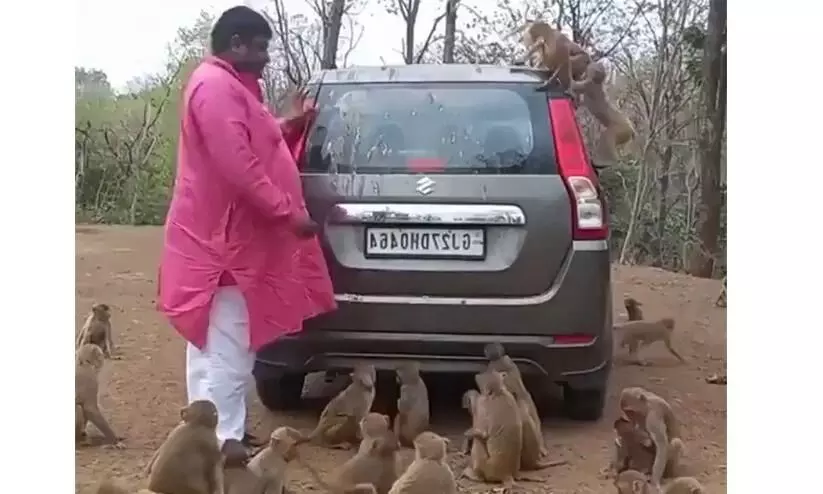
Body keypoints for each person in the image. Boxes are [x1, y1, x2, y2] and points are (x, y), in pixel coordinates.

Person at [157, 5, 337, 466]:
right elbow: (238, 164)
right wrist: (287, 213)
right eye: (260, 49)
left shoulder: (224, 86)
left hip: (222, 240)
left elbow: (248, 141)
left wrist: (287, 125)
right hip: (224, 246)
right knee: (228, 346)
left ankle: (207, 432)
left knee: (213, 344)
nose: (266, 59)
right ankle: (222, 441)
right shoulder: (216, 87)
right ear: (236, 44)